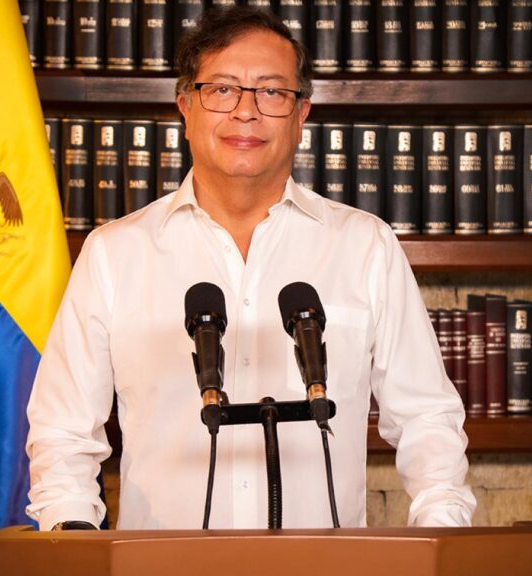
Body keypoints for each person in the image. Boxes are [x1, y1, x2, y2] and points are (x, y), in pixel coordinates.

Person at [26, 7, 476, 531]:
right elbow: (63, 435)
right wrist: (74, 542)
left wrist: (443, 537)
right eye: (221, 90)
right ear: (185, 107)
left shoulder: (364, 247)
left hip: (322, 566)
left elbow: (427, 418)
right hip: (161, 565)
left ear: (302, 114)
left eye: (271, 92)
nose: (246, 112)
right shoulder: (114, 254)